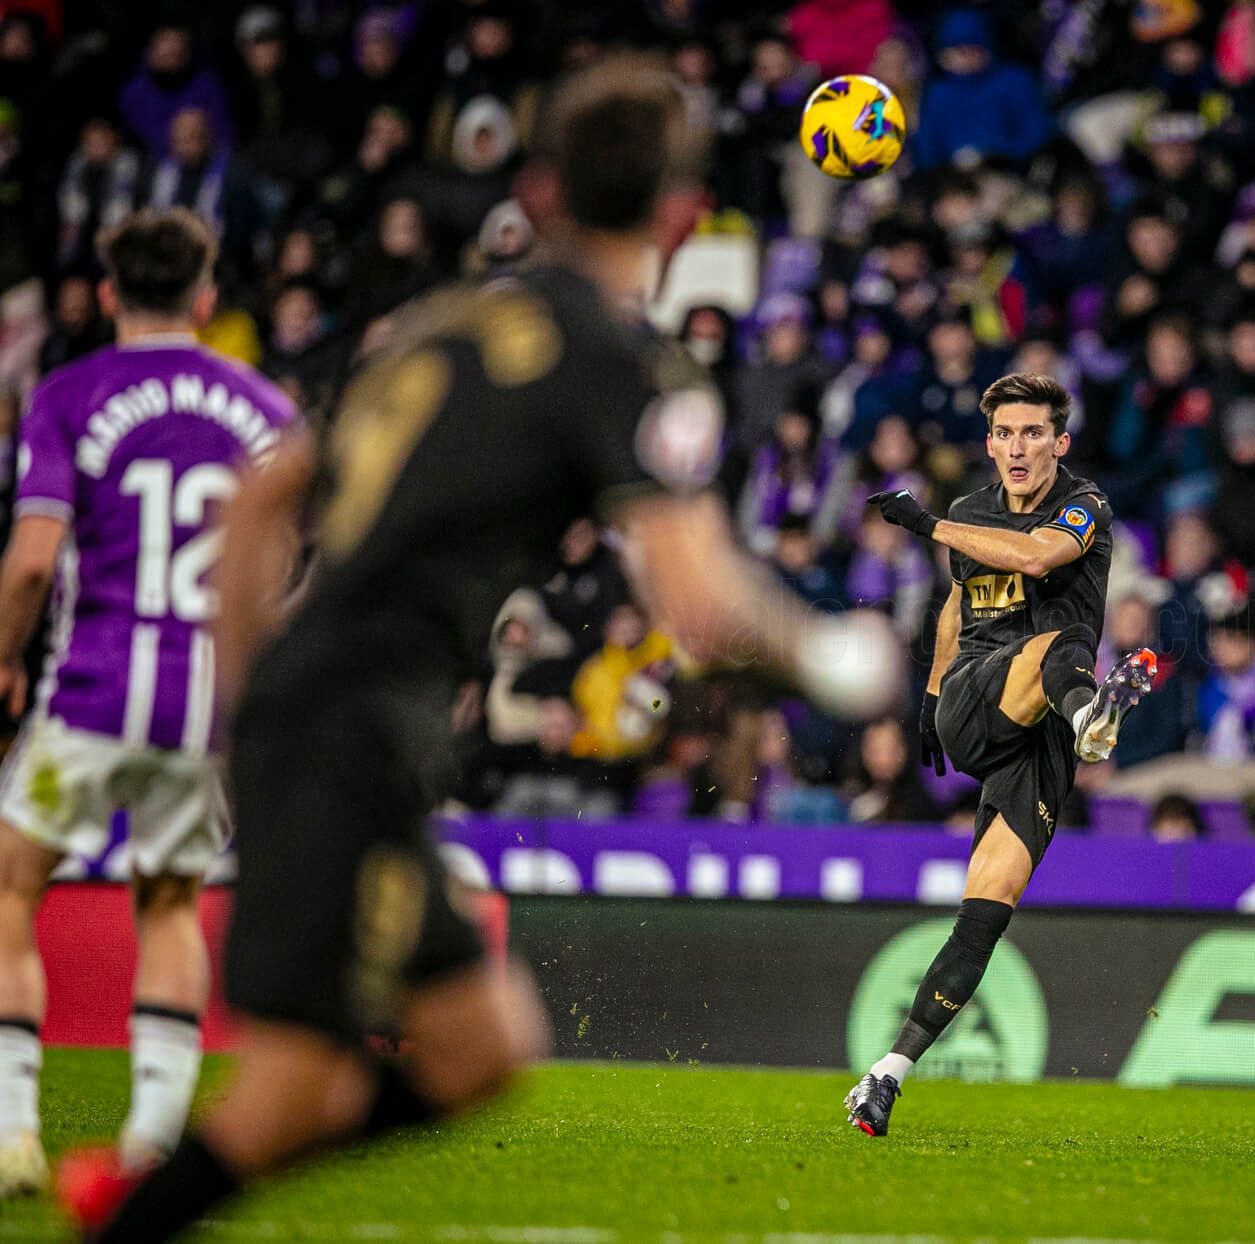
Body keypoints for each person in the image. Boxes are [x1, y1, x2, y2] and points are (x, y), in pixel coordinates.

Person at [63, 56, 901, 1240]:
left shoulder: (439, 318)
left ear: (543, 189)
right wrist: (832, 655)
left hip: (336, 712)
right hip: (353, 724)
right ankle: (136, 1214)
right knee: (297, 1089)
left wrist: (250, 694)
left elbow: (255, 503)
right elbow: (701, 605)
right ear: (677, 213)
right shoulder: (621, 359)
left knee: (484, 1043)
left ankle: (149, 1197)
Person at [0, 210, 299, 1199]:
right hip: (207, 710)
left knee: (9, 889)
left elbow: (33, 563)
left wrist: (2, 656)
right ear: (208, 299)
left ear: (112, 293)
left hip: (89, 693)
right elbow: (286, 571)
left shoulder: (68, 394)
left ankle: (10, 1133)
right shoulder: (265, 407)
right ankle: (151, 1140)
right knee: (169, 902)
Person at [844, 372, 1155, 1138]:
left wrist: (926, 528)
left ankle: (887, 1074)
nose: (1018, 448)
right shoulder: (970, 513)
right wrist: (929, 695)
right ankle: (1094, 714)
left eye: (1033, 434)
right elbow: (957, 609)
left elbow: (1041, 557)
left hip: (1039, 735)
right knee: (1066, 642)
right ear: (990, 444)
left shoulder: (1085, 505)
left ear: (1060, 442)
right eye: (1006, 435)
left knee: (987, 910)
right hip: (982, 696)